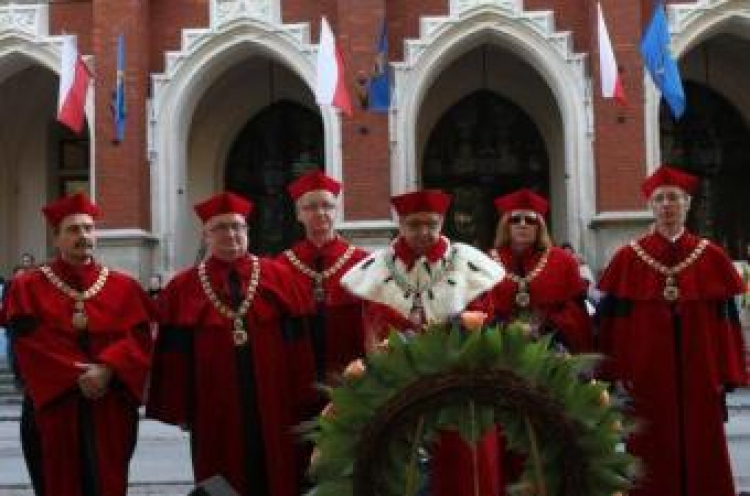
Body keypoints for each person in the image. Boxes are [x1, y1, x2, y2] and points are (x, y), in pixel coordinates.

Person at [146, 192, 313, 496]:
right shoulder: (183, 287)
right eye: (220, 228)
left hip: (274, 398)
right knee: (220, 473)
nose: (231, 234)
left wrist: (303, 395)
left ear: (248, 231)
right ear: (205, 234)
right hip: (212, 403)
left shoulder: (280, 276)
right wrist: (182, 407)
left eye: (238, 227)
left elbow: (298, 344)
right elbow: (175, 355)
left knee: (278, 469)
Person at [341, 189, 505, 496]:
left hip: (458, 380)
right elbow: (374, 322)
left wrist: (447, 333)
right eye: (414, 225)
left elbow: (483, 314)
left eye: (431, 224)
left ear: (442, 222)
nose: (424, 232)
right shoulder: (379, 265)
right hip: (398, 382)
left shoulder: (466, 260)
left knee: (463, 465)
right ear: (400, 224)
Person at [597, 165, 747, 496]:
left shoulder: (711, 257)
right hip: (647, 370)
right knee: (650, 441)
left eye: (674, 199)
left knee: (703, 440)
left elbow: (726, 322)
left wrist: (727, 371)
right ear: (650, 206)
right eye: (660, 199)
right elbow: (615, 324)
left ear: (688, 205)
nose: (667, 205)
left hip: (701, 368)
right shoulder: (627, 258)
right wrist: (617, 371)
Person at [0, 193, 155, 496]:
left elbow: (138, 339)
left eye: (88, 228)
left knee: (108, 483)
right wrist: (80, 375)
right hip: (55, 407)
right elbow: (29, 344)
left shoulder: (124, 287)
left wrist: (108, 368)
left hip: (109, 405)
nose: (83, 236)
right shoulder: (27, 287)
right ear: (56, 238)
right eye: (73, 230)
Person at [275, 170, 369, 485]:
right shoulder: (281, 266)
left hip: (349, 374)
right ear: (299, 214)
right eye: (312, 207)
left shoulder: (362, 262)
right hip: (298, 377)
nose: (321, 213)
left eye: (327, 206)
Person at [488, 189, 593, 353]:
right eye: (515, 219)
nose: (523, 224)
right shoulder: (486, 261)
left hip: (551, 344)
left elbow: (576, 310)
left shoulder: (563, 261)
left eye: (530, 220)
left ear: (540, 226)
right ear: (505, 225)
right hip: (501, 344)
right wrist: (506, 328)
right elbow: (480, 307)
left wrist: (546, 325)